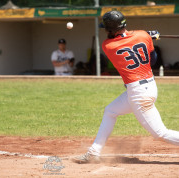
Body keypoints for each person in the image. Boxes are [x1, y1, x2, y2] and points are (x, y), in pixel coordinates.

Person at [73, 10, 179, 164]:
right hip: (147, 87)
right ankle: (94, 152)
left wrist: (147, 36)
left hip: (139, 94)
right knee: (110, 111)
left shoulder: (108, 45)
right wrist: (149, 39)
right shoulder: (142, 35)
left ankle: (94, 152)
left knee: (160, 133)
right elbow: (153, 61)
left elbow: (125, 40)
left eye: (107, 29)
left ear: (111, 29)